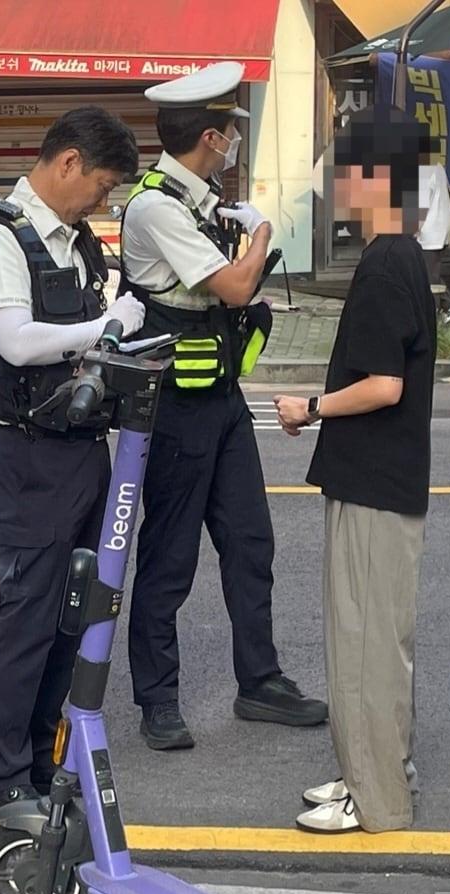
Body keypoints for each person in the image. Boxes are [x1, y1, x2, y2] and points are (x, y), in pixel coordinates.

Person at [119, 61, 327, 750]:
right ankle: (158, 700)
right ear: (210, 136)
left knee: (249, 543)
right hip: (174, 403)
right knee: (170, 556)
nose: (236, 141)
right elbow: (235, 288)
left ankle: (259, 681)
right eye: (231, 130)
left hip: (222, 399)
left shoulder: (200, 197)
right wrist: (263, 234)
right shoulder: (155, 207)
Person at [0, 106, 144, 819]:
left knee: (74, 617)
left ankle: (41, 762)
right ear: (66, 162)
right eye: (99, 185)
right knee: (26, 620)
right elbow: (13, 339)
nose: (102, 201)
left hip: (81, 452)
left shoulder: (76, 241)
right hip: (26, 457)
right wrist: (105, 326)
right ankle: (3, 781)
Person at [274, 104, 435, 834]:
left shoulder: (382, 264)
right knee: (376, 641)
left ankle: (375, 802)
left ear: (371, 177)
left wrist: (308, 405)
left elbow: (383, 385)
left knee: (365, 644)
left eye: (341, 169)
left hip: (372, 479)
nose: (332, 183)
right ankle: (372, 776)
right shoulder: (401, 255)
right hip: (383, 477)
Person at [416, 155, 450, 327]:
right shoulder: (438, 167)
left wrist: (414, 228)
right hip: (441, 228)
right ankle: (448, 303)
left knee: (429, 278)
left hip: (428, 233)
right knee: (430, 273)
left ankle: (440, 310)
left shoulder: (423, 170)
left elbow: (421, 203)